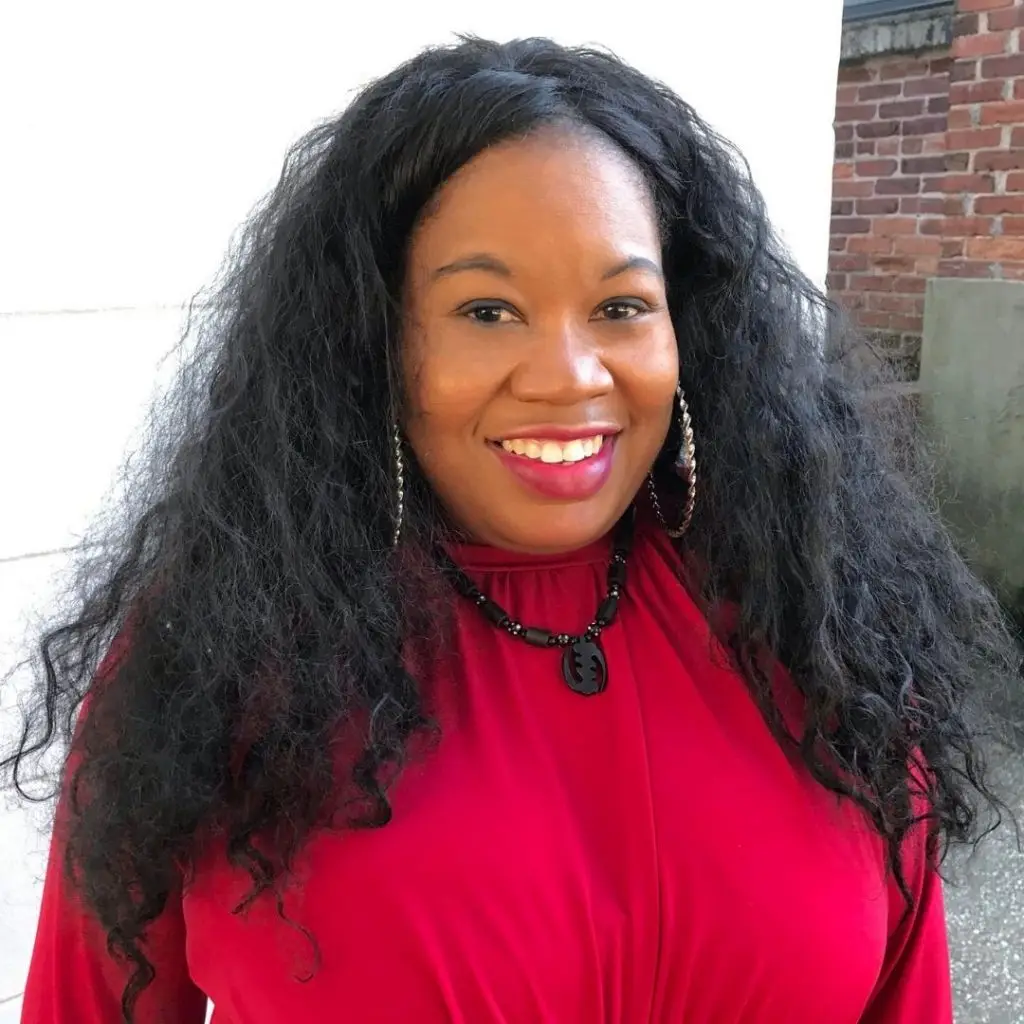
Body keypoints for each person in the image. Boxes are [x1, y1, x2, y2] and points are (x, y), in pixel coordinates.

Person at [4, 35, 1019, 1024]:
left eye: (621, 306)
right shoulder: (220, 655)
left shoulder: (820, 628)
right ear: (373, 342)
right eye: (486, 311)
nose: (569, 377)